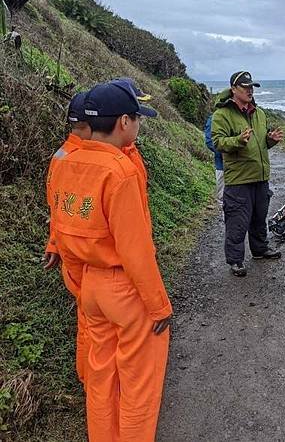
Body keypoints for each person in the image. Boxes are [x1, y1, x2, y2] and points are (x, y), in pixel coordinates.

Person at [47, 82, 172, 441]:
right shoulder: (119, 170)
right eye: (137, 119)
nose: (139, 126)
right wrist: (159, 305)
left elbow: (60, 217)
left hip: (91, 285)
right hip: (125, 288)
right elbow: (136, 251)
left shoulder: (68, 159)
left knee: (101, 382)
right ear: (123, 122)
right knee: (138, 386)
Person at [212, 71, 283, 277]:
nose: (250, 91)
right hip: (239, 179)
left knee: (259, 217)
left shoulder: (259, 113)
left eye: (252, 87)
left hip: (260, 177)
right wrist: (237, 140)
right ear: (234, 89)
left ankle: (260, 250)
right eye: (245, 87)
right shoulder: (222, 115)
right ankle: (235, 260)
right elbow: (217, 142)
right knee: (237, 220)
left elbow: (260, 144)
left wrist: (270, 140)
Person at [44, 92, 91, 384]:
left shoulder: (61, 154)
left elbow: (57, 205)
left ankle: (89, 378)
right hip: (87, 255)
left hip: (68, 251)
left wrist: (53, 242)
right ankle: (93, 380)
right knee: (92, 324)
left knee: (87, 320)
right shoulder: (85, 159)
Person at [204, 114, 224, 215]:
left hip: (241, 167)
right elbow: (209, 141)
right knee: (223, 199)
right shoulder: (214, 118)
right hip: (222, 166)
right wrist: (225, 152)